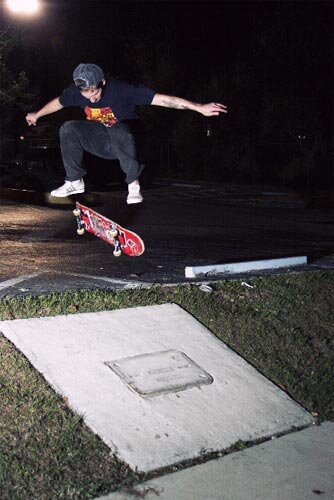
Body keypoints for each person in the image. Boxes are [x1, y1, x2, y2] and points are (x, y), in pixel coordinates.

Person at [26, 63, 227, 204]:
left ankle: (133, 183)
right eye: (87, 95)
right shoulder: (75, 92)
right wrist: (38, 114)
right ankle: (74, 181)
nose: (92, 99)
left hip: (127, 141)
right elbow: (58, 103)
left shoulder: (122, 90)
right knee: (68, 128)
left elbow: (163, 100)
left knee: (116, 127)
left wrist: (198, 107)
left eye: (95, 93)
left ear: (102, 82)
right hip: (102, 143)